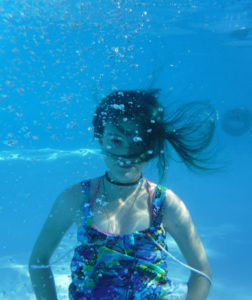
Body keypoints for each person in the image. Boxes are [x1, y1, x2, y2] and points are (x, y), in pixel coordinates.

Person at [29, 89, 215, 300]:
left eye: (137, 142)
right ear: (100, 139)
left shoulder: (165, 204)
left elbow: (202, 272)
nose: (126, 154)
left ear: (151, 145)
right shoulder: (75, 199)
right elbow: (38, 261)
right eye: (116, 140)